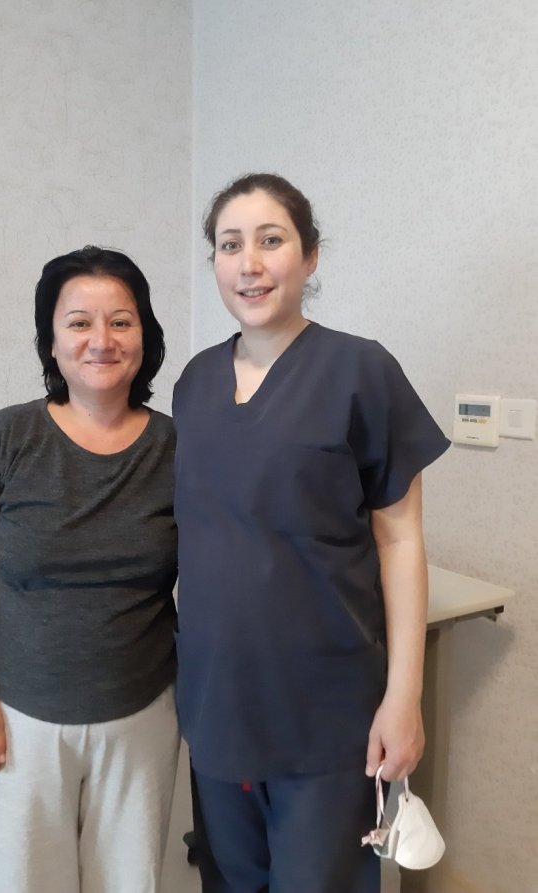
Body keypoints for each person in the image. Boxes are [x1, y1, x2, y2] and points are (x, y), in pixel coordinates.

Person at [172, 174, 450, 892]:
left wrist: (404, 697)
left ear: (311, 255)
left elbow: (401, 542)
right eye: (230, 245)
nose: (249, 263)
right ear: (213, 263)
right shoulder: (194, 382)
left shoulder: (362, 370)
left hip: (326, 708)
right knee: (231, 878)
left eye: (271, 240)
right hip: (217, 700)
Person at [0, 246, 179, 893]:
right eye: (78, 322)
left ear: (145, 335)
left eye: (121, 321)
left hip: (142, 712)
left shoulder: (176, 446)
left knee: (130, 882)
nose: (101, 340)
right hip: (20, 715)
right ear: (51, 340)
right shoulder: (8, 437)